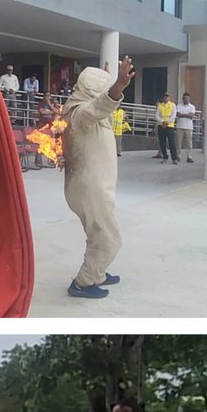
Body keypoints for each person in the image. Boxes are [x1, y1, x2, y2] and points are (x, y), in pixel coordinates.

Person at [61, 56, 135, 298]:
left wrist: (107, 81)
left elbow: (102, 108)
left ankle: (98, 273)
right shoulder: (79, 113)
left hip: (93, 186)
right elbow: (98, 107)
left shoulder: (83, 106)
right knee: (109, 238)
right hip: (89, 188)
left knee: (98, 234)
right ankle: (83, 282)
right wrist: (118, 86)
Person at [154, 91, 179, 164]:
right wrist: (162, 122)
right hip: (161, 125)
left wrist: (167, 122)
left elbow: (173, 115)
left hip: (170, 125)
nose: (166, 98)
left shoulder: (172, 105)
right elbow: (157, 116)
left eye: (167, 97)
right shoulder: (160, 106)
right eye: (164, 97)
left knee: (172, 142)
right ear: (163, 98)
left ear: (169, 98)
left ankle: (174, 158)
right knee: (162, 142)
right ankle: (165, 156)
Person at [175, 92, 197, 163]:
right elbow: (178, 114)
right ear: (182, 99)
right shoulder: (179, 106)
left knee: (189, 142)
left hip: (189, 127)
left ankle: (189, 156)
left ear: (189, 99)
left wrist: (183, 115)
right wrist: (187, 115)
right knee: (178, 142)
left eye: (187, 98)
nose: (186, 100)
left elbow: (191, 115)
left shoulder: (192, 107)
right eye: (184, 98)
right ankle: (178, 156)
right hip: (180, 126)